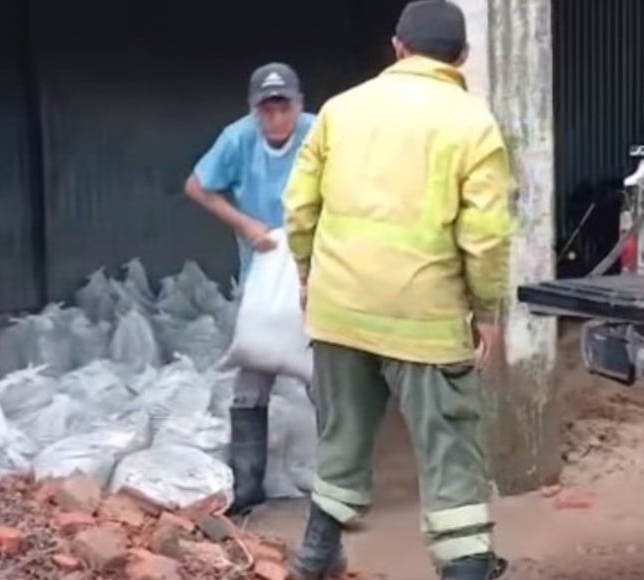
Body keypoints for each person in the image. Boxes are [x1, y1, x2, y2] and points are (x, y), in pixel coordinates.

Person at [282, 1, 514, 578]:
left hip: (340, 312)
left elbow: (299, 207)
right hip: (424, 320)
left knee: (342, 439)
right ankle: (467, 568)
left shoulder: (339, 110)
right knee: (450, 455)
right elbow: (486, 236)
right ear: (461, 57)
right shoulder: (472, 122)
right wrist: (487, 310)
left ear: (397, 47)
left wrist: (309, 275)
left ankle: (312, 560)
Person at [184, 62, 316, 516]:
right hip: (262, 277)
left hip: (316, 276)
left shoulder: (319, 134)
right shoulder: (238, 138)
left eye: (285, 108)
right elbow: (196, 186)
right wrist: (244, 223)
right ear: (254, 110)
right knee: (252, 376)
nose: (277, 119)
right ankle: (248, 485)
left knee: (327, 378)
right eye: (267, 110)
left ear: (300, 105)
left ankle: (336, 487)